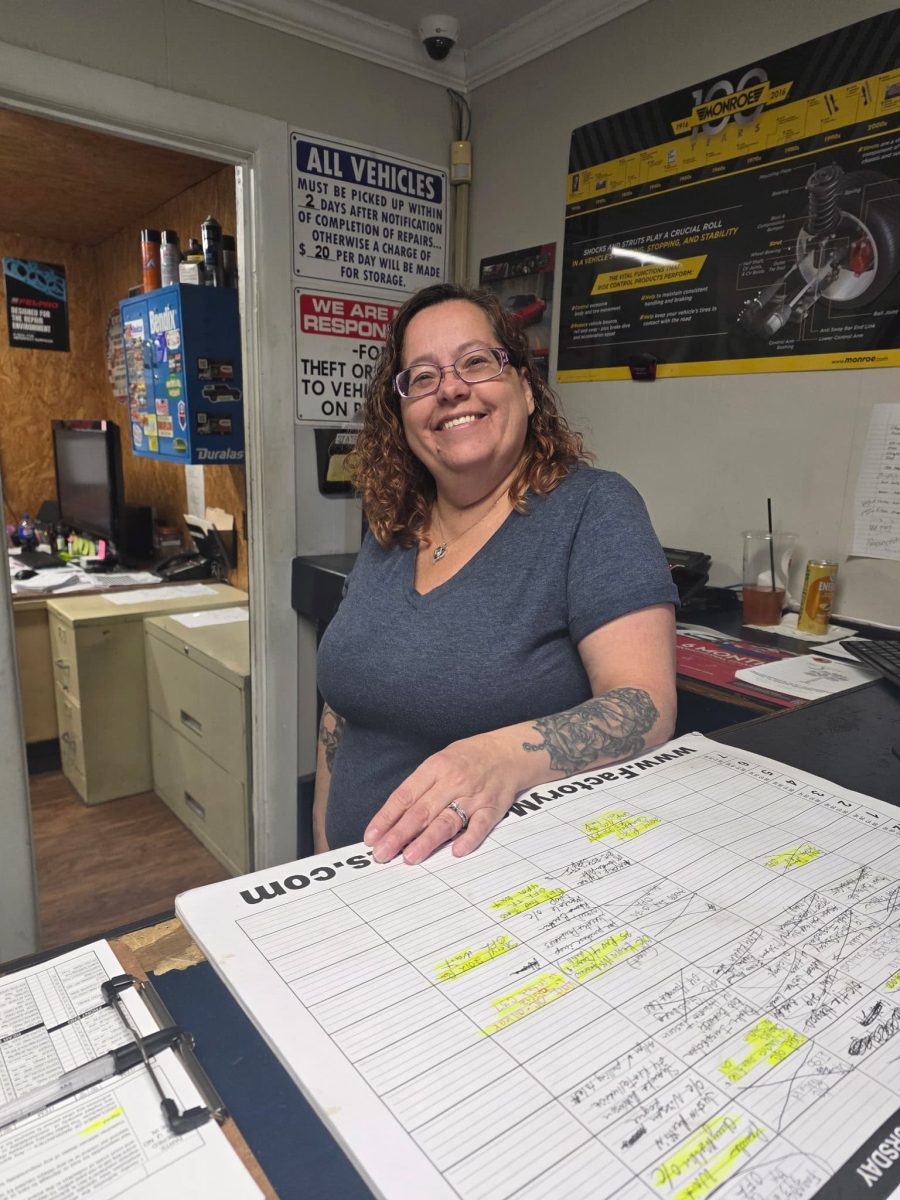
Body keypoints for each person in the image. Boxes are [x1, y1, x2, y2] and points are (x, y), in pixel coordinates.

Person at [315, 283, 678, 865]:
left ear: (527, 390)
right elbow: (343, 704)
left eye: (477, 362)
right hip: (349, 878)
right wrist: (323, 852)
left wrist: (498, 757)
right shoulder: (393, 526)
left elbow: (644, 704)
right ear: (402, 416)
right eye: (422, 377)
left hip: (502, 889)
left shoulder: (593, 508)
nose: (451, 388)